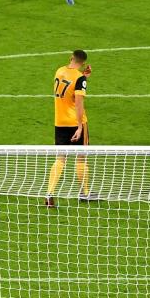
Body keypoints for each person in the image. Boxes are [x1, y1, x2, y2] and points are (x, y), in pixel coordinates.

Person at [46, 50, 94, 208]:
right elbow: (78, 102)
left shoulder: (59, 71)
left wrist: (84, 78)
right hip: (75, 122)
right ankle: (85, 194)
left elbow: (68, 91)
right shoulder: (79, 78)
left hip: (60, 121)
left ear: (71, 58)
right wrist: (80, 126)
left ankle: (49, 193)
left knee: (60, 158)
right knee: (81, 157)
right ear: (83, 62)